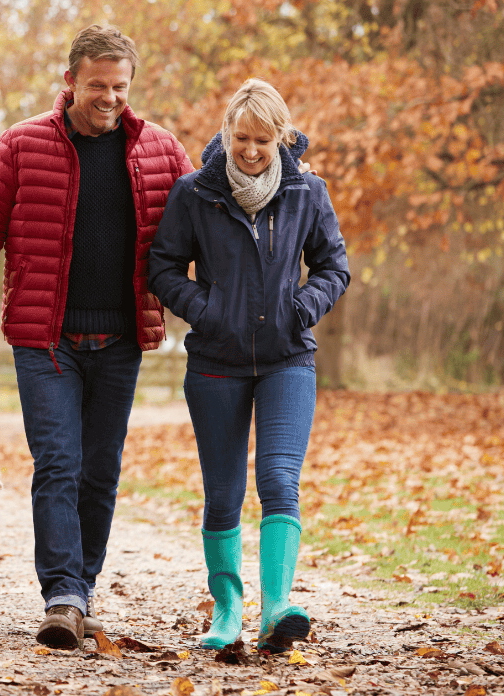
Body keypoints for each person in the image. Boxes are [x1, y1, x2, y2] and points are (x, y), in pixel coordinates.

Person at [0, 24, 194, 649]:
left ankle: (80, 587)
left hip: (121, 341)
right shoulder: (21, 145)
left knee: (100, 470)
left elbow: (203, 227)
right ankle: (61, 593)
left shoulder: (161, 152)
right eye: (96, 86)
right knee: (58, 463)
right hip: (44, 338)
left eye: (120, 87)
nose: (109, 98)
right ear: (70, 81)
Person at [147, 78, 350, 653]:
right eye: (242, 138)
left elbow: (334, 267)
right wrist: (205, 312)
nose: (252, 150)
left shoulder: (307, 192)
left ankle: (277, 605)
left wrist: (301, 308)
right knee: (223, 492)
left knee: (280, 480)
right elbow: (163, 269)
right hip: (216, 363)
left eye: (263, 139)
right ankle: (229, 609)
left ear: (282, 138)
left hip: (288, 359)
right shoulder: (195, 194)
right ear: (227, 133)